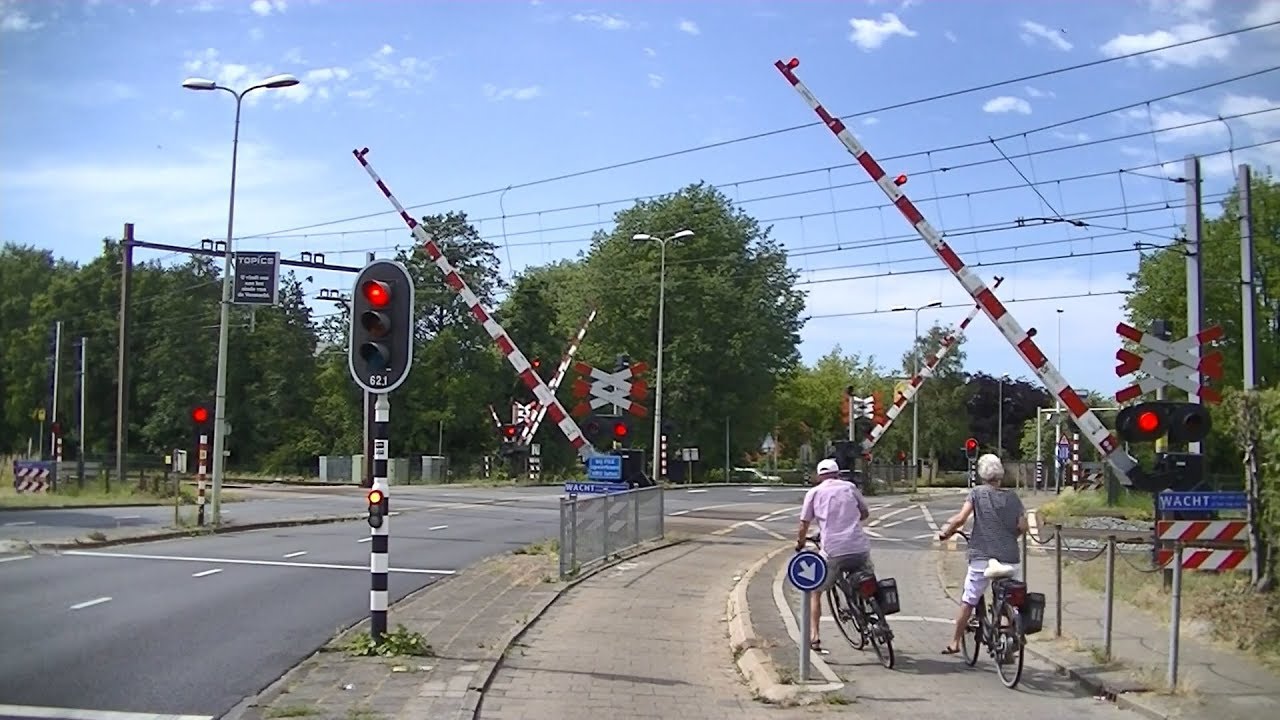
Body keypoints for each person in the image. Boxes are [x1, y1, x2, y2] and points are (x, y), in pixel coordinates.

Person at [937, 452, 1028, 655]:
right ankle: (1007, 635)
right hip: (1010, 558)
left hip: (982, 557)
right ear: (1001, 475)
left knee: (969, 599)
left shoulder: (977, 493)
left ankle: (955, 643)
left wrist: (946, 532)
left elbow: (961, 518)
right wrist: (1011, 537)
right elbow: (1023, 526)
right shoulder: (1013, 497)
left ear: (981, 475)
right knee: (1009, 597)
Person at [794, 457, 873, 653]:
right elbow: (865, 513)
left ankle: (814, 637)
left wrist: (800, 543)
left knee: (816, 591)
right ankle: (875, 616)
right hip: (859, 548)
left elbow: (804, 523)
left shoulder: (814, 493)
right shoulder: (849, 488)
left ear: (819, 476)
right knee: (869, 580)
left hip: (833, 550)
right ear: (838, 474)